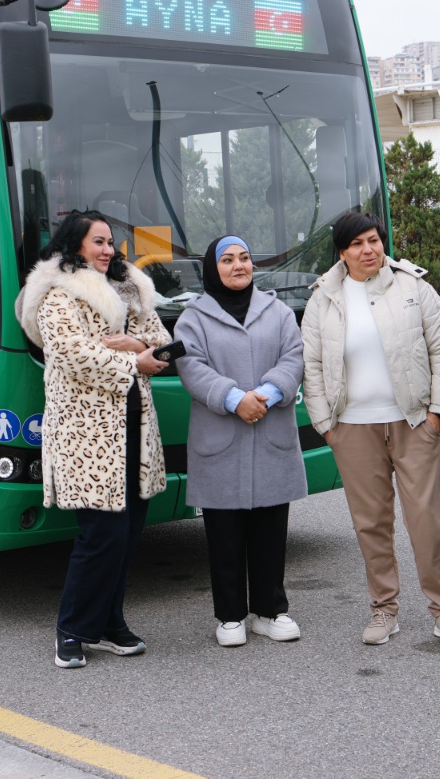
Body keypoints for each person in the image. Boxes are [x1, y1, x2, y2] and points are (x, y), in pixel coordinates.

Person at [301, 211, 440, 648]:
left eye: (373, 240)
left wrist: (437, 414)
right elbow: (312, 365)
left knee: (426, 520)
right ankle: (384, 608)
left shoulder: (413, 287)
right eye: (357, 244)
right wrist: (326, 425)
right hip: (352, 427)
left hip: (412, 421)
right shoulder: (324, 298)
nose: (368, 250)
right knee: (371, 523)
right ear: (342, 252)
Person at [16, 210, 169, 670]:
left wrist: (132, 345)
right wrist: (132, 356)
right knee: (100, 536)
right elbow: (72, 354)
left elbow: (161, 341)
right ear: (75, 245)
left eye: (110, 243)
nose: (107, 250)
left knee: (127, 535)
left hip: (135, 428)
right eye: (97, 242)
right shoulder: (56, 293)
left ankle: (109, 622)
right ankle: (71, 629)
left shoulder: (131, 288)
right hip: (87, 436)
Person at [174, 235, 308, 647]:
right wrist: (234, 399)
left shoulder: (279, 311)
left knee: (270, 526)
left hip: (270, 428)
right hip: (221, 436)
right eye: (228, 259)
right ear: (213, 268)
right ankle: (230, 615)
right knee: (224, 530)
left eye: (245, 258)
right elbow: (190, 365)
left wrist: (265, 394)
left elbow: (295, 356)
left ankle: (270, 610)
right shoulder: (193, 317)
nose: (238, 266)